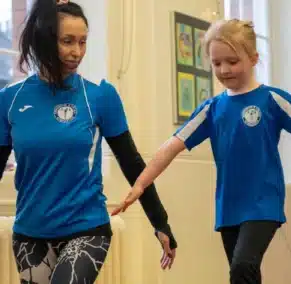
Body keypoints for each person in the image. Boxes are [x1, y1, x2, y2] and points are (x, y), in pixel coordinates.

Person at [111, 19, 291, 283]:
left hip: (263, 202)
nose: (224, 70)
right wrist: (141, 183)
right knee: (243, 274)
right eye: (217, 63)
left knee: (242, 266)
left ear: (253, 59)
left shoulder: (271, 99)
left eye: (233, 61)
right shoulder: (212, 109)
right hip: (228, 206)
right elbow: (170, 147)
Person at [0, 0, 177, 283]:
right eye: (67, 41)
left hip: (86, 228)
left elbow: (131, 162)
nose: (77, 52)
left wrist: (160, 221)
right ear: (45, 40)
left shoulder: (99, 97)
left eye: (83, 41)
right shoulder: (10, 100)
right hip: (30, 233)